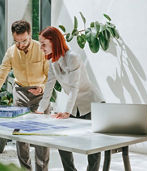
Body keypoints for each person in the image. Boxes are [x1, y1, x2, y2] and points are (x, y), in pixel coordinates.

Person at [0, 20, 50, 171]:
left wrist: (42, 87)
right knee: (20, 136)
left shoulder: (41, 48)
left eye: (24, 40)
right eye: (17, 41)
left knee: (42, 136)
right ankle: (25, 169)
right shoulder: (11, 51)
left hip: (40, 94)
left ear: (29, 34)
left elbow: (49, 75)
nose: (21, 45)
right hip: (20, 93)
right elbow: (1, 74)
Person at [35, 26, 104, 171]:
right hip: (73, 105)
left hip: (91, 103)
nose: (41, 47)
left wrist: (66, 111)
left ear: (54, 41)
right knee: (62, 139)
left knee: (93, 145)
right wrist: (40, 109)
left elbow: (74, 87)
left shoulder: (73, 57)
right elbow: (49, 86)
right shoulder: (52, 62)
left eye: (43, 44)